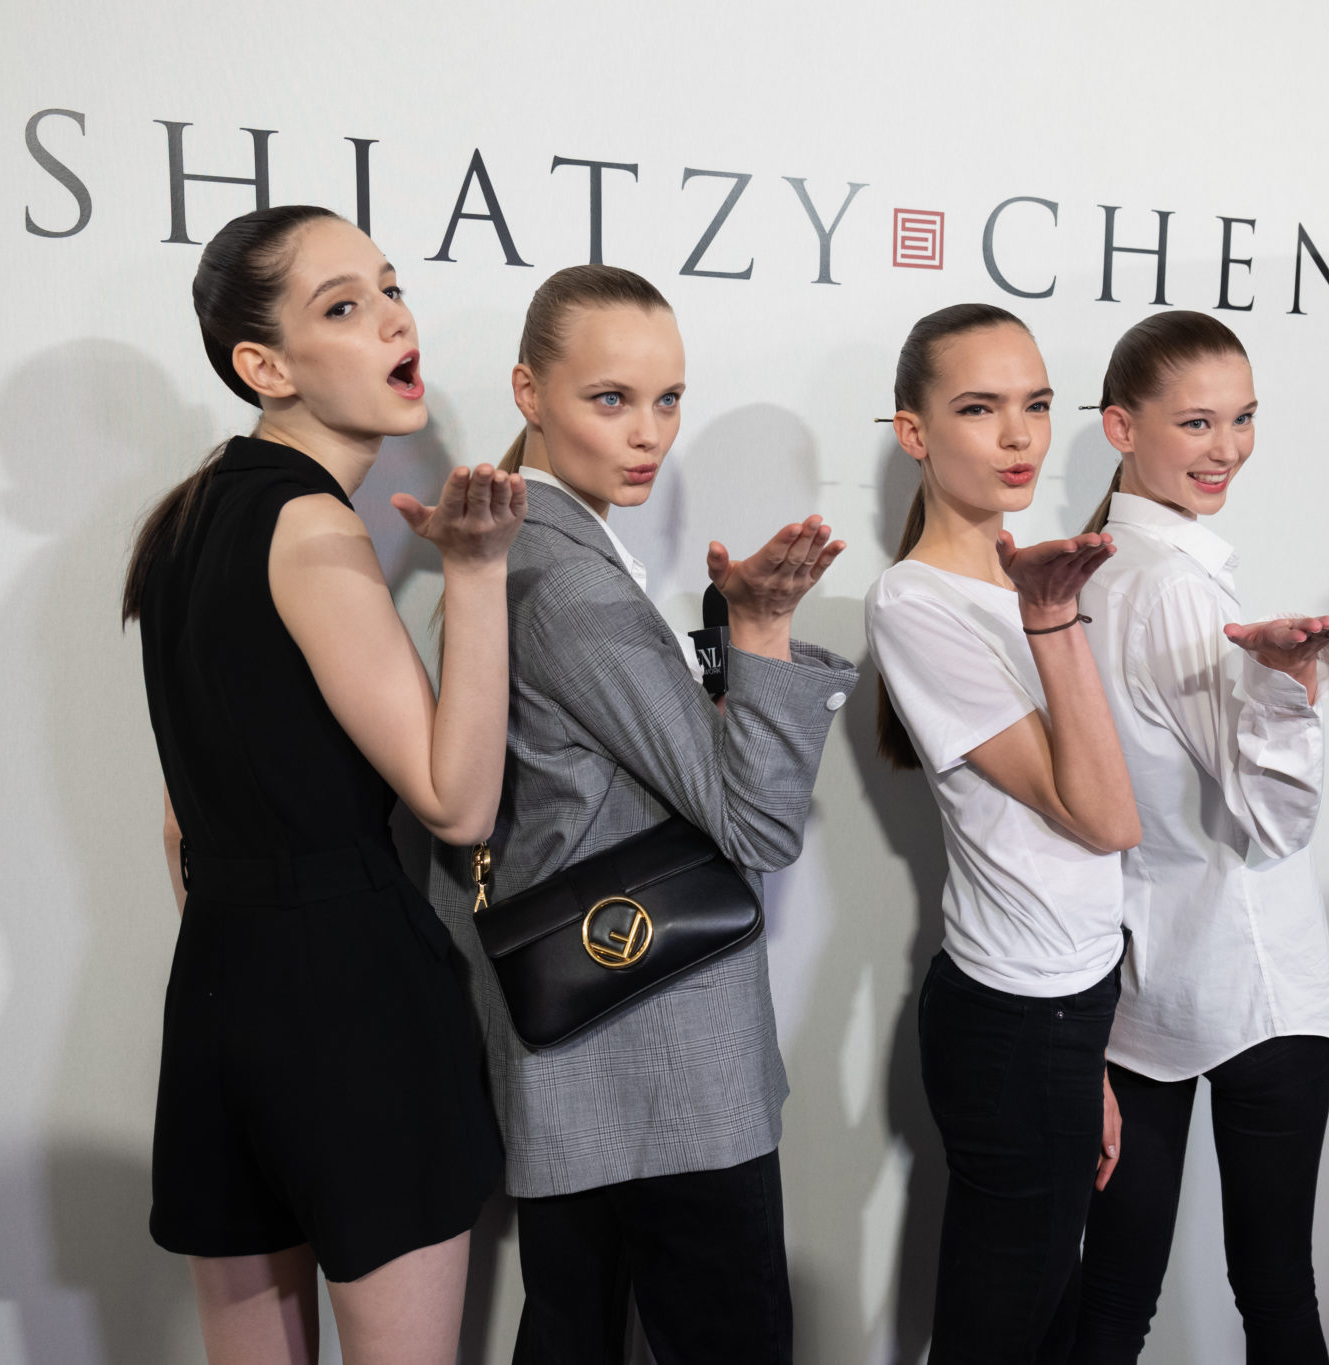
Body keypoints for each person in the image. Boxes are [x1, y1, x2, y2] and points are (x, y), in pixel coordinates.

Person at [423, 264, 857, 1364]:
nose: (648, 433)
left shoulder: (530, 552)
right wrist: (761, 633)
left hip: (585, 1046)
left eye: (667, 399)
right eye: (609, 398)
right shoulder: (566, 578)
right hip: (660, 1054)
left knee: (574, 1329)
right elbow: (755, 826)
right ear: (528, 391)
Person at [123, 204, 522, 1365]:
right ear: (266, 367)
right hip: (350, 999)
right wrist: (476, 574)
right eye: (341, 306)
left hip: (219, 992)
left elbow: (178, 826)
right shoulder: (309, 528)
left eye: (390, 288)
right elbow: (457, 802)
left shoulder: (187, 520)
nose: (392, 319)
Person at [1066, 310, 1329, 1365]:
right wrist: (1286, 685)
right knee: (1275, 1289)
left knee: (1110, 1294)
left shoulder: (1090, 574)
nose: (1225, 447)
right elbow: (1274, 820)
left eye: (1242, 418)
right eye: (1195, 422)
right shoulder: (1173, 585)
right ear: (1120, 427)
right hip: (1250, 978)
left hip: (1137, 980)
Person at [863, 303, 1142, 1363]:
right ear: (915, 431)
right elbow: (1105, 819)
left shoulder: (1034, 576)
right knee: (998, 1337)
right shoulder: (917, 601)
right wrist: (1050, 621)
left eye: (1035, 404)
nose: (1019, 436)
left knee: (1044, 1328)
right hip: (1017, 1024)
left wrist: (1093, 1060)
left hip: (1063, 1010)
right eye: (980, 409)